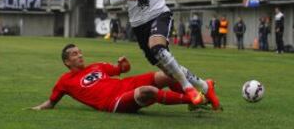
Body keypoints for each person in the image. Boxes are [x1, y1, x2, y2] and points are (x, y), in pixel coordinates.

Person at [30, 44, 212, 113]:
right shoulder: (64, 81)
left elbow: (122, 69)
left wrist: (123, 64)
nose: (80, 56)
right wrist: (36, 108)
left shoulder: (97, 66)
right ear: (67, 62)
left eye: (80, 52)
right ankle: (193, 99)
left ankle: (191, 99)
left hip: (126, 84)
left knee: (167, 75)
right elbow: (51, 102)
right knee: (149, 91)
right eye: (74, 54)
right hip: (113, 101)